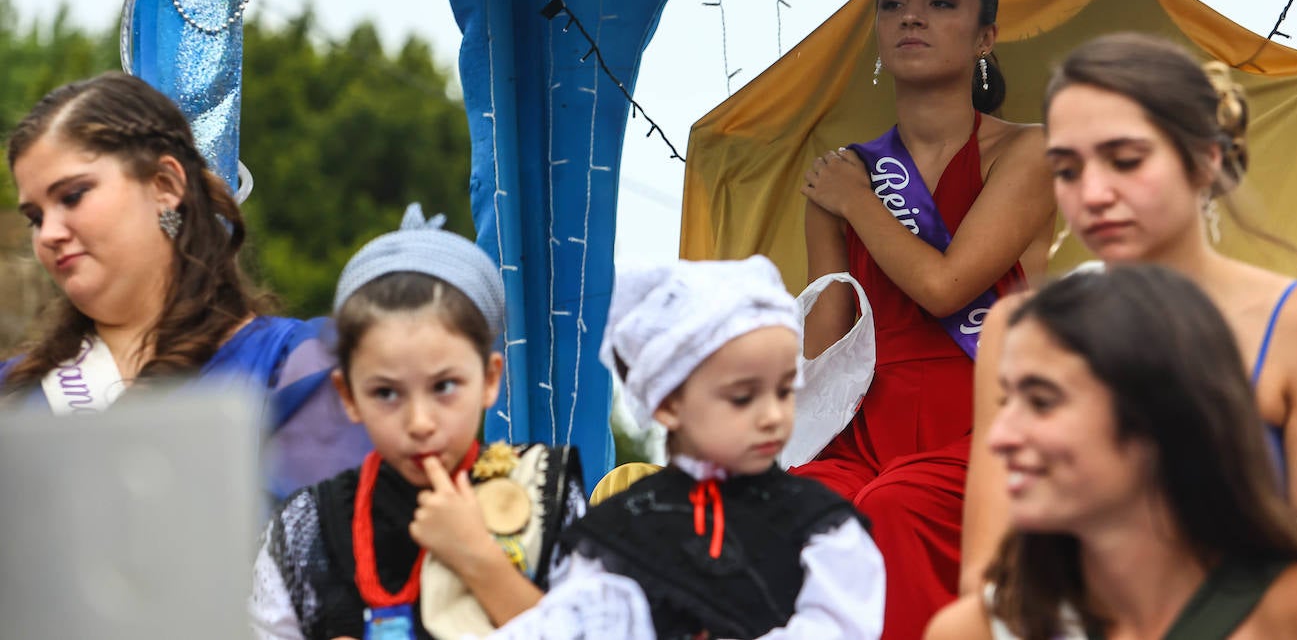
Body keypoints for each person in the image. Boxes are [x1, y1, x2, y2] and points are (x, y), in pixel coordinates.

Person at [961, 33, 1297, 591]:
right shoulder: (1017, 331)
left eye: (1125, 161)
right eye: (1067, 169)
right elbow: (990, 572)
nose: (1095, 193)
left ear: (1205, 159)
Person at [794, 0, 1056, 635]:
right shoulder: (845, 171)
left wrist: (856, 203)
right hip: (866, 421)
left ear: (985, 36)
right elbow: (827, 341)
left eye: (941, 2)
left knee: (896, 507)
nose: (911, 17)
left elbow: (946, 290)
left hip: (988, 410)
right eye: (892, 4)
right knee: (794, 511)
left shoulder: (1028, 150)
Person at [926, 265, 1297, 640]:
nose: (999, 438)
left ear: (1157, 420)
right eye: (1006, 402)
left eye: (1042, 402)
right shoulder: (975, 630)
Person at [3, 71, 368, 497]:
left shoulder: (294, 368)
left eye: (72, 196)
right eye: (35, 217)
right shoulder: (15, 391)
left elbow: (342, 544)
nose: (48, 234)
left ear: (165, 185)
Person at [250, 204, 585, 640]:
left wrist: (478, 558)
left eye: (444, 386)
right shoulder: (308, 525)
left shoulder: (547, 492)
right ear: (349, 395)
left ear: (489, 379)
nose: (420, 422)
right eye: (386, 393)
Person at [555, 255, 885, 639]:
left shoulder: (820, 524)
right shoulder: (621, 520)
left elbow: (840, 627)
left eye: (783, 391)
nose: (773, 415)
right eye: (744, 397)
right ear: (669, 403)